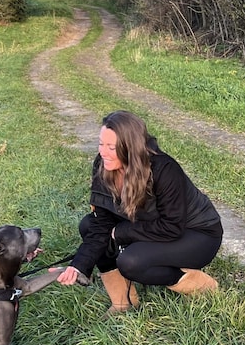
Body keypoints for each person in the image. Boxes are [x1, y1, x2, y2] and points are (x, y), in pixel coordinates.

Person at [55, 110, 223, 314]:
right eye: (101, 144)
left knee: (132, 262)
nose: (103, 152)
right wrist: (79, 265)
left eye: (111, 147)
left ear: (130, 148)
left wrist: (122, 233)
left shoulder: (164, 169)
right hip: (149, 225)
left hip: (197, 233)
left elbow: (171, 227)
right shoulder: (103, 166)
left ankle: (198, 284)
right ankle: (123, 302)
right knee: (88, 225)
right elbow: (101, 221)